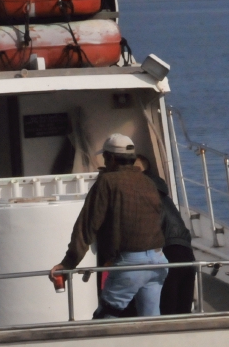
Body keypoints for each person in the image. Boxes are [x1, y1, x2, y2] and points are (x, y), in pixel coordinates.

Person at [49, 134, 168, 318]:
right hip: (159, 260)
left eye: (104, 156)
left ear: (111, 158)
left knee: (105, 319)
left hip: (131, 264)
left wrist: (67, 264)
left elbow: (86, 227)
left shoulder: (106, 182)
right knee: (151, 320)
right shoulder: (148, 182)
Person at [137, 155, 195, 315]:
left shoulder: (145, 193)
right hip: (185, 249)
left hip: (170, 250)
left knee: (168, 306)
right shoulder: (160, 191)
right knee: (182, 308)